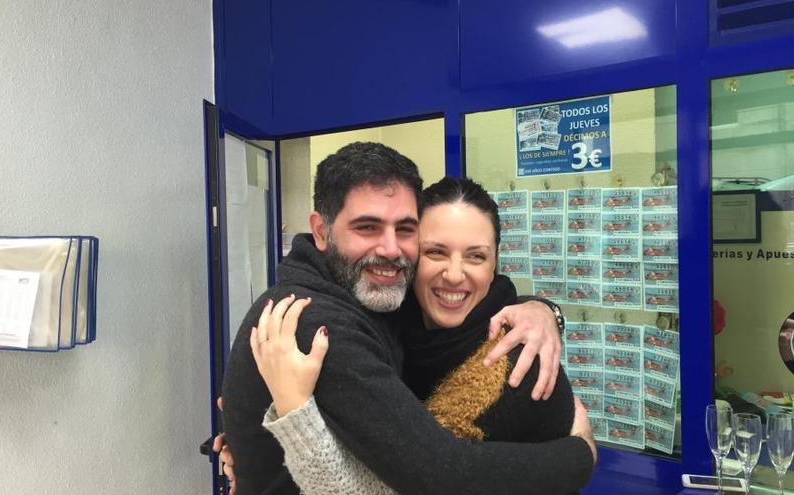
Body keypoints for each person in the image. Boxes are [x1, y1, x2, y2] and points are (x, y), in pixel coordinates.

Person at [221, 142, 595, 494]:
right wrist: (581, 455)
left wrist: (543, 309)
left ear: (496, 262)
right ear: (321, 231)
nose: (389, 248)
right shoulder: (315, 321)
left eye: (404, 229)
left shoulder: (507, 347)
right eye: (367, 227)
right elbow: (435, 472)